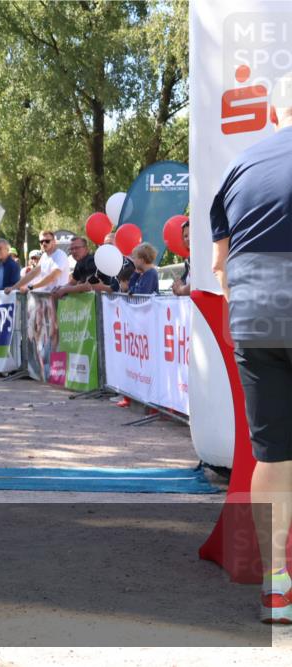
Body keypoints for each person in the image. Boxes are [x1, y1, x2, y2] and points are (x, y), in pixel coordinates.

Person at [210, 79, 292, 624]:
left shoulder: (239, 166)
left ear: (275, 111)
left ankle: (277, 587)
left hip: (256, 317)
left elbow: (220, 268)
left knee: (274, 455)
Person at [171, 220, 192, 296]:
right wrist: (176, 285)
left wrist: (180, 290)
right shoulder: (188, 260)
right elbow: (183, 282)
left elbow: (198, 286)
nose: (188, 238)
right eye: (185, 236)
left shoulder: (207, 255)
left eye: (191, 234)